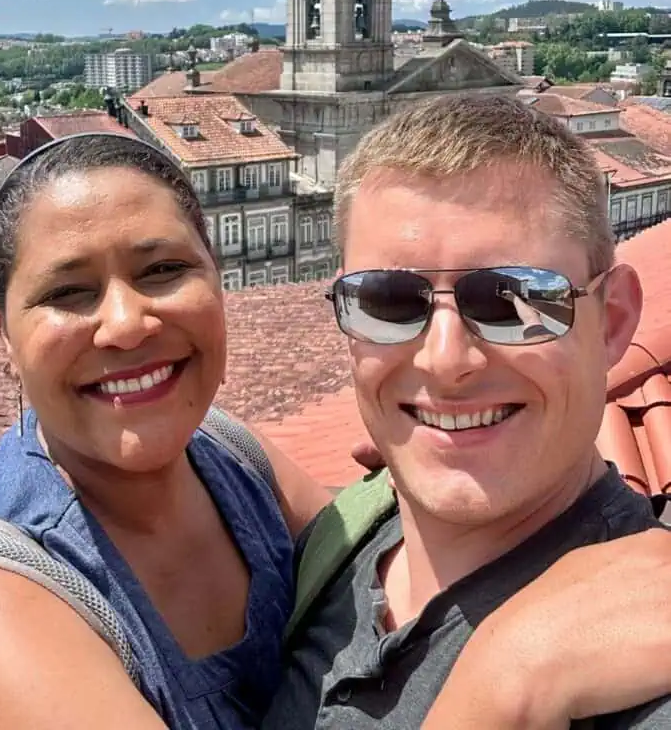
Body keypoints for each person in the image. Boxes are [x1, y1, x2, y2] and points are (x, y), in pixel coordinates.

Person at [0, 130, 671, 730]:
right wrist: (503, 682)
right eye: (68, 292)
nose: (124, 323)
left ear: (219, 283)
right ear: (2, 333)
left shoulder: (234, 463)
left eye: (162, 270)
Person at [263, 93, 671, 729]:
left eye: (514, 300)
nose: (444, 360)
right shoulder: (340, 541)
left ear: (612, 320)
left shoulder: (641, 677)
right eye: (389, 300)